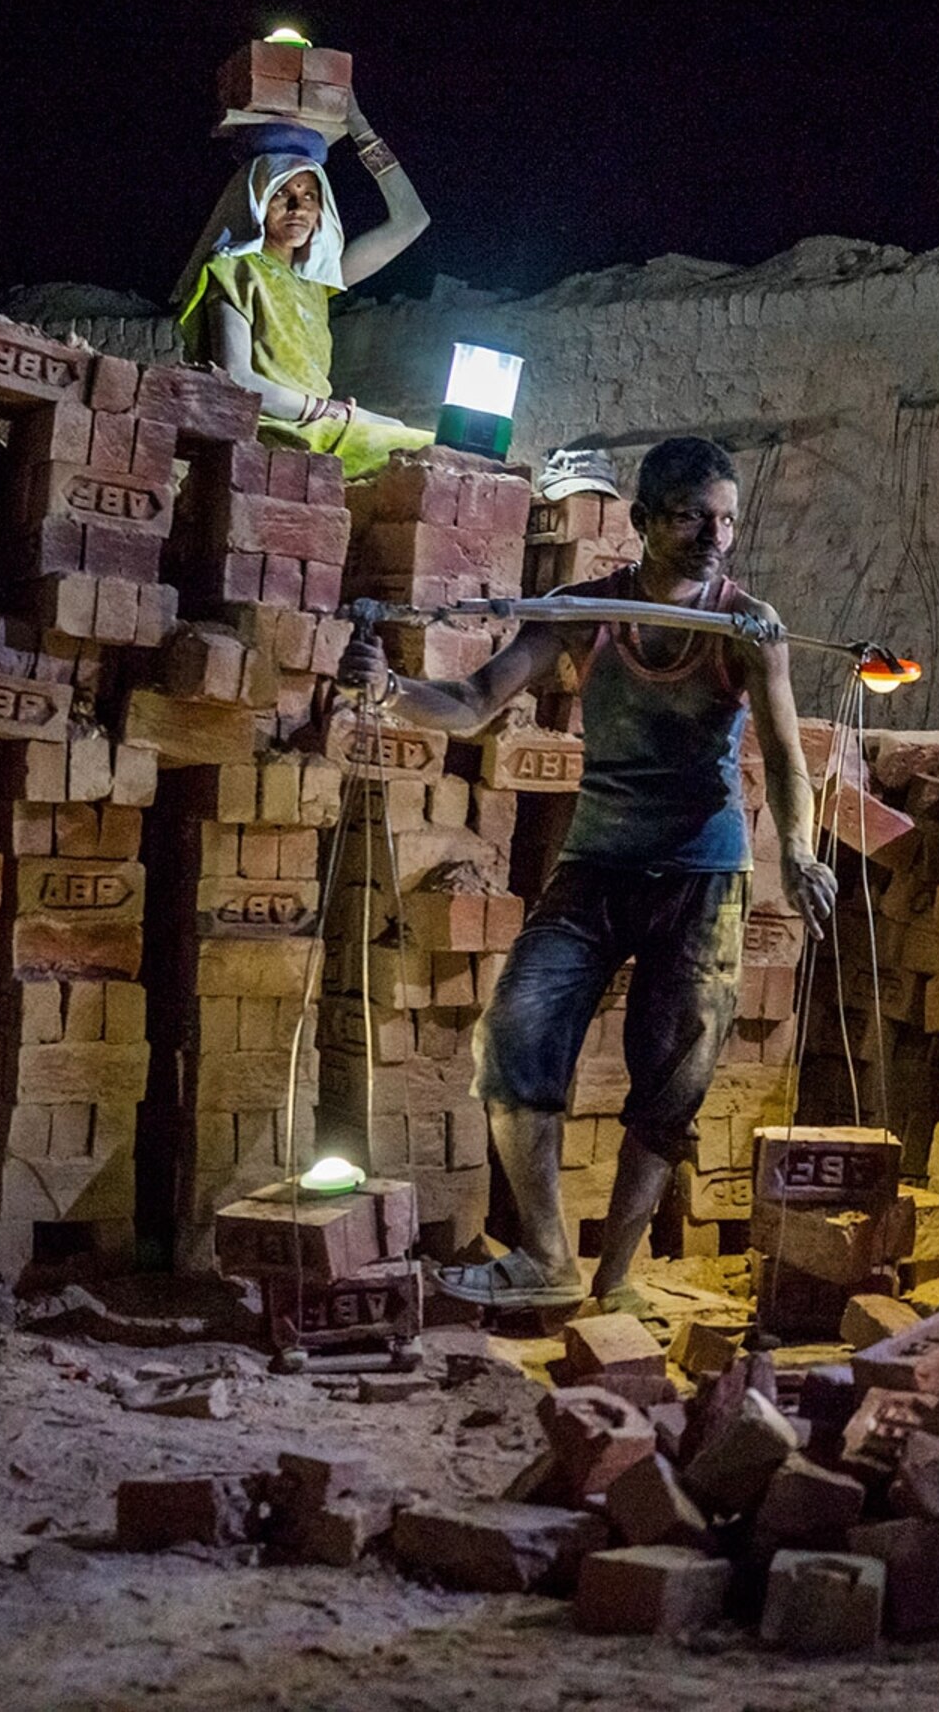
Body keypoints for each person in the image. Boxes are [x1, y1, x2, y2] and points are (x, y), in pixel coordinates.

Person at [336, 436, 838, 1312]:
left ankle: (614, 1285)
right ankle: (545, 1260)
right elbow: (472, 705)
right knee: (515, 1035)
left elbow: (789, 759)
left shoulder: (746, 626)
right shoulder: (581, 612)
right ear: (642, 522)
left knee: (673, 1075)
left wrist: (796, 850)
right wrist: (387, 689)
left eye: (725, 519)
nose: (713, 537)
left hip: (703, 874)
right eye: (690, 518)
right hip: (598, 862)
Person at [173, 101, 435, 479]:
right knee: (413, 453)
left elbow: (412, 220)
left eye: (309, 195)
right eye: (283, 193)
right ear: (258, 200)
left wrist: (359, 126)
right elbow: (237, 379)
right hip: (272, 429)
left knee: (422, 444)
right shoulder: (233, 269)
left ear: (321, 209)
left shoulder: (315, 279)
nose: (298, 207)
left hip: (323, 425)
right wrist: (332, 412)